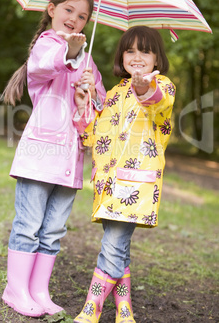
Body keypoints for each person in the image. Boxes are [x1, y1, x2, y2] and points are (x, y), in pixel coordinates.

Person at [1, 0, 106, 317]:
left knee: (53, 231)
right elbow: (43, 68)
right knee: (29, 225)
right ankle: (15, 289)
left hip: (69, 160)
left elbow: (100, 106)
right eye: (69, 11)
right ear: (51, 9)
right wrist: (71, 55)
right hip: (40, 156)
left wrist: (90, 93)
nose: (74, 19)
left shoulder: (87, 61)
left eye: (82, 16)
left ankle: (39, 290)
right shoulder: (47, 45)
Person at [73, 26, 176, 323]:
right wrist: (86, 102)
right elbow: (96, 134)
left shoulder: (163, 85)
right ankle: (124, 309)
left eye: (145, 50)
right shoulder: (117, 92)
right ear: (122, 55)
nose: (137, 57)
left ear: (157, 57)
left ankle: (92, 306)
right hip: (108, 182)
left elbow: (159, 103)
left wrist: (145, 88)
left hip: (136, 184)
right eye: (130, 50)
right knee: (118, 245)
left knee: (114, 244)